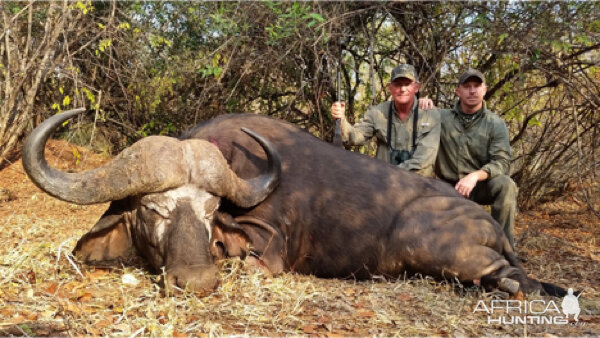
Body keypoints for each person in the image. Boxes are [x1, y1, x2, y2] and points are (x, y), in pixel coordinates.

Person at [435, 68, 518, 248]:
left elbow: (502, 161)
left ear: (484, 90)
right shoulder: (440, 117)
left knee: (506, 185)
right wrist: (423, 102)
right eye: (467, 86)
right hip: (448, 187)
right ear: (458, 91)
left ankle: (503, 249)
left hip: (479, 186)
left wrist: (474, 176)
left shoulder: (495, 123)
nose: (472, 91)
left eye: (476, 86)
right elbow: (415, 118)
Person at [330, 64, 440, 177]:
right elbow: (354, 137)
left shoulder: (430, 115)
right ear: (390, 88)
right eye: (397, 84)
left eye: (407, 84)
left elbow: (423, 162)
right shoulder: (377, 112)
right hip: (382, 184)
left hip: (416, 182)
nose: (402, 89)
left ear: (416, 87)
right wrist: (342, 119)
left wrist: (389, 175)